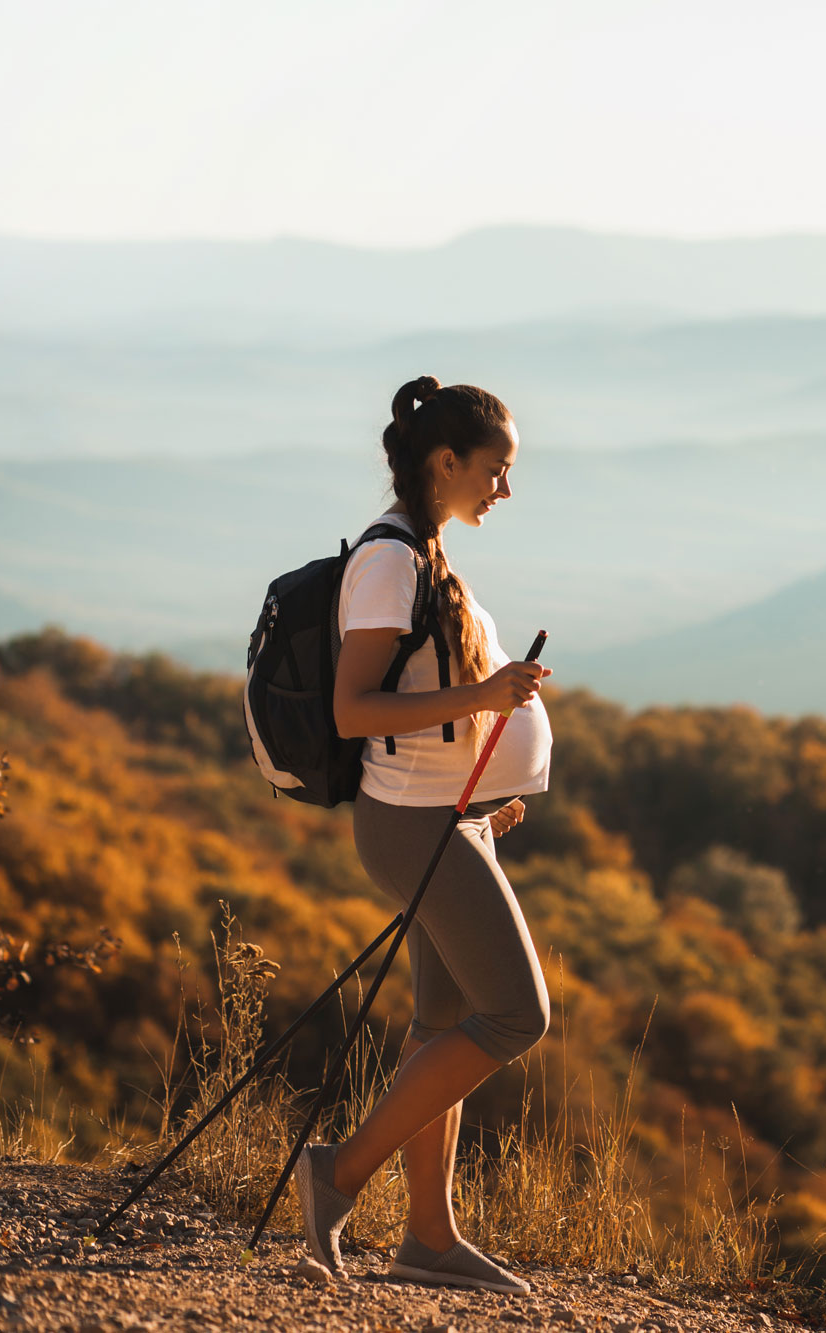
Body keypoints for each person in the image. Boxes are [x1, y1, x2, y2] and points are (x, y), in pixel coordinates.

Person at [293, 376, 554, 1295]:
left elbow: (421, 710)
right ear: (446, 462)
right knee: (517, 1014)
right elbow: (356, 707)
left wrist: (482, 796)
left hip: (449, 818)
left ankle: (429, 1240)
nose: (504, 490)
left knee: (442, 1022)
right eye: (496, 470)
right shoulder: (392, 562)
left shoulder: (431, 551)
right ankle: (339, 1172)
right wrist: (488, 698)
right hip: (408, 825)